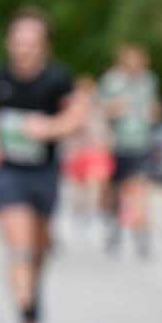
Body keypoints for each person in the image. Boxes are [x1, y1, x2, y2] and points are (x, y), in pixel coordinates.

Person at [0, 7, 88, 323]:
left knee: (39, 248)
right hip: (9, 173)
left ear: (44, 46)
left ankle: (32, 295)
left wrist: (48, 128)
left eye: (32, 42)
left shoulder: (58, 79)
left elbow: (76, 119)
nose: (24, 48)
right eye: (19, 41)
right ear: (10, 43)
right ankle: (26, 312)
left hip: (45, 173)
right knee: (19, 248)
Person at [99, 44, 162, 256]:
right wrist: (116, 107)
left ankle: (141, 233)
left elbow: (155, 108)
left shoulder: (149, 80)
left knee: (139, 187)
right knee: (116, 189)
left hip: (141, 142)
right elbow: (100, 108)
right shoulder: (111, 80)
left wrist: (153, 113)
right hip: (117, 143)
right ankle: (114, 226)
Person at [62, 76, 113, 239]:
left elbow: (104, 133)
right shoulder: (70, 111)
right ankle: (78, 216)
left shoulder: (97, 110)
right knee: (77, 190)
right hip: (76, 152)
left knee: (94, 186)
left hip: (94, 151)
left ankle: (93, 215)